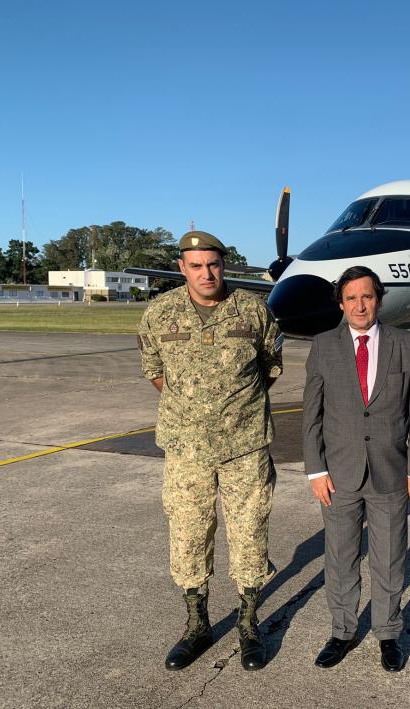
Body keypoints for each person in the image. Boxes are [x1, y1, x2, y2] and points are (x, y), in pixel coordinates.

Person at [137, 230, 283, 672]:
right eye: (196, 265)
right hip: (187, 450)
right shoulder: (159, 315)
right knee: (188, 534)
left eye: (213, 264)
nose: (206, 273)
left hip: (245, 446)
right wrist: (196, 411)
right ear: (182, 268)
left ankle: (249, 624)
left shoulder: (254, 312)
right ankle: (196, 625)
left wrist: (231, 409)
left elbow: (269, 367)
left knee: (249, 533)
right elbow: (154, 372)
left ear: (224, 265)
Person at [302, 265, 410, 672]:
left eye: (368, 296)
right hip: (338, 475)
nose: (360, 305)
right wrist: (315, 470)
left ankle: (388, 632)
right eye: (352, 297)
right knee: (339, 556)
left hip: (390, 472)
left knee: (389, 556)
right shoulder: (323, 346)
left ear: (379, 298)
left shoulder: (406, 344)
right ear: (341, 303)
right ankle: (342, 631)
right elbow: (312, 416)